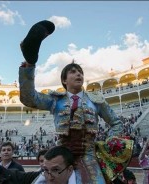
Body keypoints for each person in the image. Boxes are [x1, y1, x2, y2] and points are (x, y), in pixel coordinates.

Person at [19, 20, 133, 183]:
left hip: (89, 157)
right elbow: (29, 98)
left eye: (80, 72)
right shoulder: (55, 100)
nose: (79, 74)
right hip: (60, 158)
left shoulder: (96, 100)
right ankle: (30, 56)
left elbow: (116, 123)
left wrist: (107, 143)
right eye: (73, 72)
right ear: (64, 80)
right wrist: (29, 66)